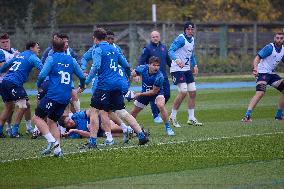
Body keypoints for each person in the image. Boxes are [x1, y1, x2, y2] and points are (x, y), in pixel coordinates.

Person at [84, 28, 148, 148]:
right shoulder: (114, 49)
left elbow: (96, 66)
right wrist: (129, 76)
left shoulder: (98, 49)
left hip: (104, 85)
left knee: (94, 111)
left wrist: (85, 82)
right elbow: (126, 65)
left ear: (94, 38)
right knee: (122, 112)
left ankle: (92, 142)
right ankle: (141, 135)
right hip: (117, 85)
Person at [32, 37, 85, 157]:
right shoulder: (71, 59)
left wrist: (39, 85)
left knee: (37, 118)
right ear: (63, 47)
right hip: (66, 97)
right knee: (52, 121)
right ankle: (58, 149)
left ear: (52, 48)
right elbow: (81, 76)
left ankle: (51, 140)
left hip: (53, 95)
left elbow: (42, 75)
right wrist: (82, 85)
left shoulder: (51, 58)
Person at [0, 41, 43, 138]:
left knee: (12, 107)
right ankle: (15, 132)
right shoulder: (33, 57)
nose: (39, 49)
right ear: (31, 48)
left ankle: (0, 130)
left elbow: (6, 65)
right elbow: (43, 69)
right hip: (14, 83)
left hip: (5, 82)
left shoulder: (19, 55)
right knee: (23, 106)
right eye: (37, 47)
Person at [242, 32, 284, 122]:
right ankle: (247, 116)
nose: (279, 40)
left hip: (271, 74)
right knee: (260, 93)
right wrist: (255, 68)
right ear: (274, 38)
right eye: (277, 38)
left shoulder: (283, 49)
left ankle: (279, 115)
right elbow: (257, 58)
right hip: (262, 73)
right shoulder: (269, 47)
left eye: (281, 38)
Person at [168, 21, 202, 127]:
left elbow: (191, 55)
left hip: (186, 69)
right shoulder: (181, 39)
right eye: (188, 29)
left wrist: (195, 65)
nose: (190, 31)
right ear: (184, 30)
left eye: (192, 29)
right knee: (183, 91)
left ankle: (191, 118)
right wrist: (177, 60)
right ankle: (172, 117)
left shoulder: (192, 40)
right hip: (177, 69)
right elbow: (170, 51)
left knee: (192, 92)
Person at [131, 56, 175, 136]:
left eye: (158, 65)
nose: (156, 67)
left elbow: (154, 92)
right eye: (154, 65)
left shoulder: (160, 77)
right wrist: (136, 75)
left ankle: (168, 128)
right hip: (145, 93)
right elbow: (133, 72)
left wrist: (139, 94)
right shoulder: (143, 68)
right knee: (133, 113)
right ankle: (131, 130)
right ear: (149, 65)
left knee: (161, 105)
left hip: (156, 93)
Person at [137, 31, 171, 123]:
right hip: (152, 77)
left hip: (163, 76)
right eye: (153, 37)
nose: (155, 38)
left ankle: (156, 110)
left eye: (157, 36)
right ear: (150, 38)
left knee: (167, 94)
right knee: (153, 94)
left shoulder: (163, 48)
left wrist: (175, 69)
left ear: (159, 37)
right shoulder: (147, 48)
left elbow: (168, 61)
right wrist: (138, 74)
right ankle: (155, 115)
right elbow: (141, 61)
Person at [59, 109, 133, 141]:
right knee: (113, 134)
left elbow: (91, 112)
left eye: (69, 120)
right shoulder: (72, 133)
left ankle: (130, 129)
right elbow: (90, 135)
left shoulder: (76, 116)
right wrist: (76, 130)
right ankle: (134, 133)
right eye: (68, 123)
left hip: (100, 122)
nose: (70, 122)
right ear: (66, 127)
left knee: (103, 126)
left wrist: (93, 122)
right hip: (99, 133)